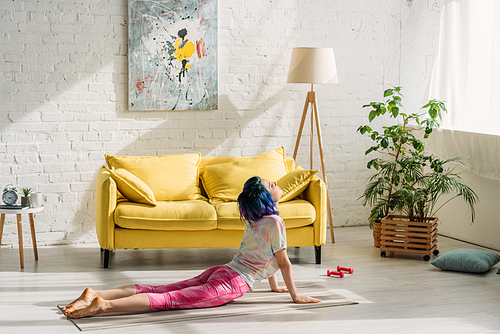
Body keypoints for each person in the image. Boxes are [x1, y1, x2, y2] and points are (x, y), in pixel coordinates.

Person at [63, 176, 321, 319]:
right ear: (266, 197)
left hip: (222, 271)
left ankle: (97, 293)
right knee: (168, 300)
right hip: (231, 283)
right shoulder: (275, 222)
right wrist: (295, 296)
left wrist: (275, 287)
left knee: (159, 289)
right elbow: (282, 261)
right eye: (271, 185)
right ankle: (103, 305)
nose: (275, 183)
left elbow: (265, 257)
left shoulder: (255, 220)